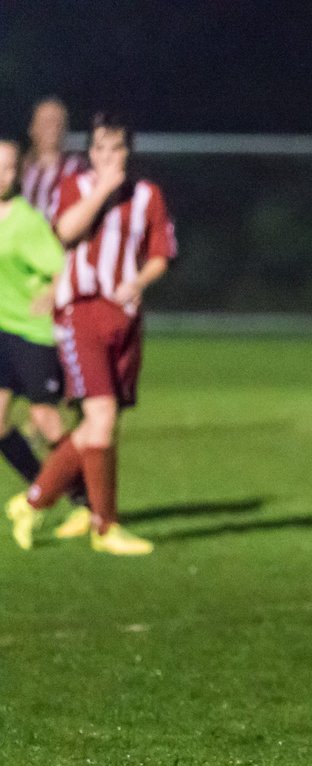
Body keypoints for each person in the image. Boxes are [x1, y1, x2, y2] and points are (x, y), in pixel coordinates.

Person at [6, 113, 176, 556]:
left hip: (124, 320)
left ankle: (36, 502)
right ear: (90, 153)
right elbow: (64, 232)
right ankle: (103, 526)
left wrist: (138, 282)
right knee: (97, 417)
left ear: (129, 152)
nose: (105, 157)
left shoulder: (147, 195)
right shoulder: (76, 187)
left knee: (101, 425)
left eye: (115, 149)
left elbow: (161, 252)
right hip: (80, 314)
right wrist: (102, 188)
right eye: (98, 148)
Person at [0, 139, 85, 517]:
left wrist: (51, 292)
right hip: (3, 330)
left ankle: (86, 499)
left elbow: (62, 266)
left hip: (34, 333)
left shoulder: (26, 221)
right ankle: (43, 489)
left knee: (45, 419)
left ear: (16, 174)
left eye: (6, 168)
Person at [21, 97, 85, 223]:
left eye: (58, 121)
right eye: (46, 121)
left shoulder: (76, 168)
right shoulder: (18, 168)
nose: (53, 127)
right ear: (31, 128)